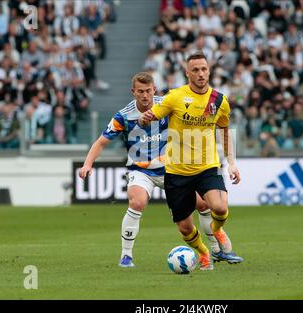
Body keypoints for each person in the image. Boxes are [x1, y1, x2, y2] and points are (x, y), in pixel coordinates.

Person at [78, 72, 235, 268]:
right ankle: (126, 256)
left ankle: (215, 248)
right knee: (137, 201)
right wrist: (87, 163)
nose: (145, 96)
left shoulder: (167, 104)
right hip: (141, 170)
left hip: (173, 169)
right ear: (133, 92)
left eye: (148, 91)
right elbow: (101, 142)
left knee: (203, 204)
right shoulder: (124, 115)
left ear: (154, 90)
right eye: (140, 92)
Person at [140, 52, 243, 270]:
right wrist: (144, 118)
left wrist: (232, 162)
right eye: (195, 70)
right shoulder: (175, 97)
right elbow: (150, 117)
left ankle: (216, 230)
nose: (200, 73)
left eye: (204, 69)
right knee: (185, 228)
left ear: (209, 71)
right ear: (188, 73)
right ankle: (204, 252)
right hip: (177, 172)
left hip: (207, 166)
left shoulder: (219, 101)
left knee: (220, 208)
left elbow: (224, 131)